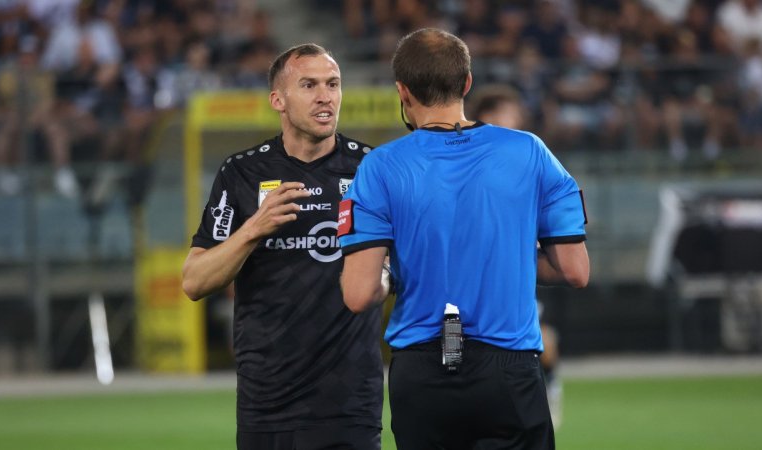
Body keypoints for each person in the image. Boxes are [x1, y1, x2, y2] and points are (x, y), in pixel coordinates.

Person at [338, 28, 589, 450]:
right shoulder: (530, 151)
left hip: (421, 373)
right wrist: (506, 257)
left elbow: (359, 294)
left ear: (402, 91)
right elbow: (575, 270)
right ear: (467, 83)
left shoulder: (379, 167)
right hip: (509, 370)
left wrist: (392, 270)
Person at [181, 43, 384, 450]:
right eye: (308, 85)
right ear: (278, 100)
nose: (326, 96)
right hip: (266, 403)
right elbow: (194, 281)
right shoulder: (242, 172)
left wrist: (383, 275)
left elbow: (403, 262)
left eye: (333, 84)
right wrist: (253, 229)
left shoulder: (371, 170)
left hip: (349, 402)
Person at [469, 83, 564, 429]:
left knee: (541, 340)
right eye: (491, 113)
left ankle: (549, 390)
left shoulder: (535, 160)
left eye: (505, 112)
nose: (499, 120)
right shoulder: (466, 165)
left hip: (516, 276)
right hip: (469, 280)